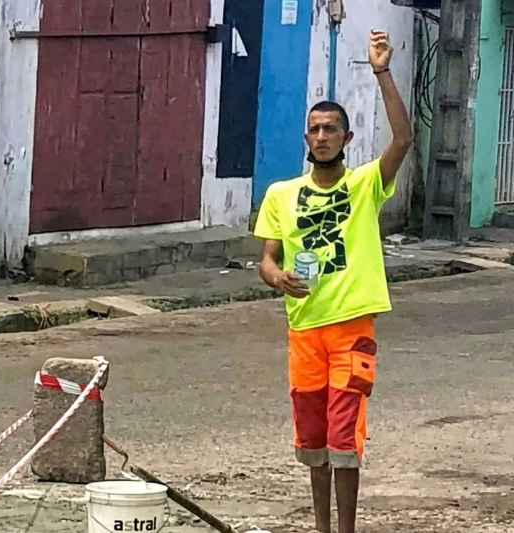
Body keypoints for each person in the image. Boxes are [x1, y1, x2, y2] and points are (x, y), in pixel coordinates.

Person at [253, 30, 412, 533]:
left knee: (346, 440)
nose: (321, 137)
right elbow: (267, 258)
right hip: (304, 330)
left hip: (351, 328)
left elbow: (404, 138)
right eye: (314, 129)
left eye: (331, 129)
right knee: (313, 441)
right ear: (306, 139)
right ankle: (321, 527)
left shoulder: (365, 184)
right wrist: (277, 277)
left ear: (347, 139)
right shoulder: (281, 194)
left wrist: (381, 71)